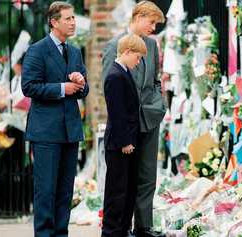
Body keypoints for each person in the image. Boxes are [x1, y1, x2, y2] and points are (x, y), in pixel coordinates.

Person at [21, 2, 89, 237]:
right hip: (46, 131)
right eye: (68, 18)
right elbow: (28, 86)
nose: (73, 22)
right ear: (54, 21)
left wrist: (80, 83)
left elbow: (83, 90)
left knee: (65, 191)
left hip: (70, 129)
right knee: (46, 190)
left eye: (73, 18)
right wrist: (63, 88)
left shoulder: (75, 51)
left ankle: (61, 234)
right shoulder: (37, 50)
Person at [102, 1, 166, 237]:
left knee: (147, 174)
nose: (153, 28)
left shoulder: (152, 45)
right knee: (124, 178)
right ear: (139, 17)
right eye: (151, 22)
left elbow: (156, 80)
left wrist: (159, 105)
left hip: (150, 117)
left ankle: (143, 226)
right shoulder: (115, 46)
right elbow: (110, 87)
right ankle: (122, 228)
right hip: (128, 122)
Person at [102, 33, 147, 237]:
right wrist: (125, 141)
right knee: (117, 191)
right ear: (127, 52)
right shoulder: (114, 76)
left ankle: (121, 230)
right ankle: (111, 232)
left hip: (128, 141)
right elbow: (117, 112)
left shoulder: (123, 72)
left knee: (128, 190)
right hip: (120, 143)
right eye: (137, 57)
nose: (138, 62)